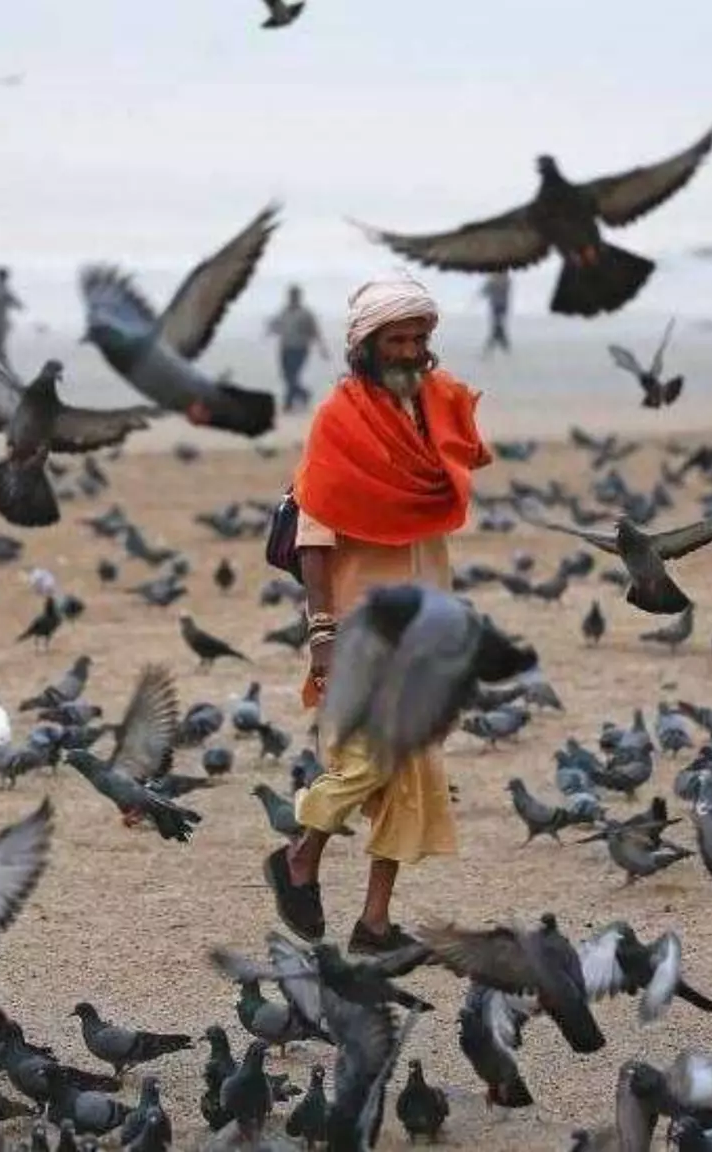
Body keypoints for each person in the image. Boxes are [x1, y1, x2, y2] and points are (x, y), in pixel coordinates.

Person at [263, 272, 493, 955]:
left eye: (421, 337)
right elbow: (313, 531)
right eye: (397, 338)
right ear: (366, 344)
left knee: (413, 772)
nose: (412, 350)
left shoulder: (436, 404)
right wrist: (321, 632)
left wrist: (442, 420)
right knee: (369, 758)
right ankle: (299, 856)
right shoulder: (339, 420)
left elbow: (468, 456)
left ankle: (374, 923)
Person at [266, 284, 331, 413]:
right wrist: (270, 329)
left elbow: (315, 331)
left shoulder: (306, 314)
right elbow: (276, 326)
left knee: (293, 375)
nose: (292, 298)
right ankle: (304, 394)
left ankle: (288, 403)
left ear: (299, 297)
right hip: (285, 348)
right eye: (291, 295)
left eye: (295, 295)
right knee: (286, 376)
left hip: (300, 349)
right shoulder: (284, 311)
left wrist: (322, 348)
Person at [479, 270, 512, 356]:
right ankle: (503, 345)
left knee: (497, 325)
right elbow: (486, 290)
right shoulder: (505, 280)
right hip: (501, 306)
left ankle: (492, 346)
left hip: (497, 306)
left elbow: (485, 291)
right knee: (498, 325)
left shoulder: (498, 280)